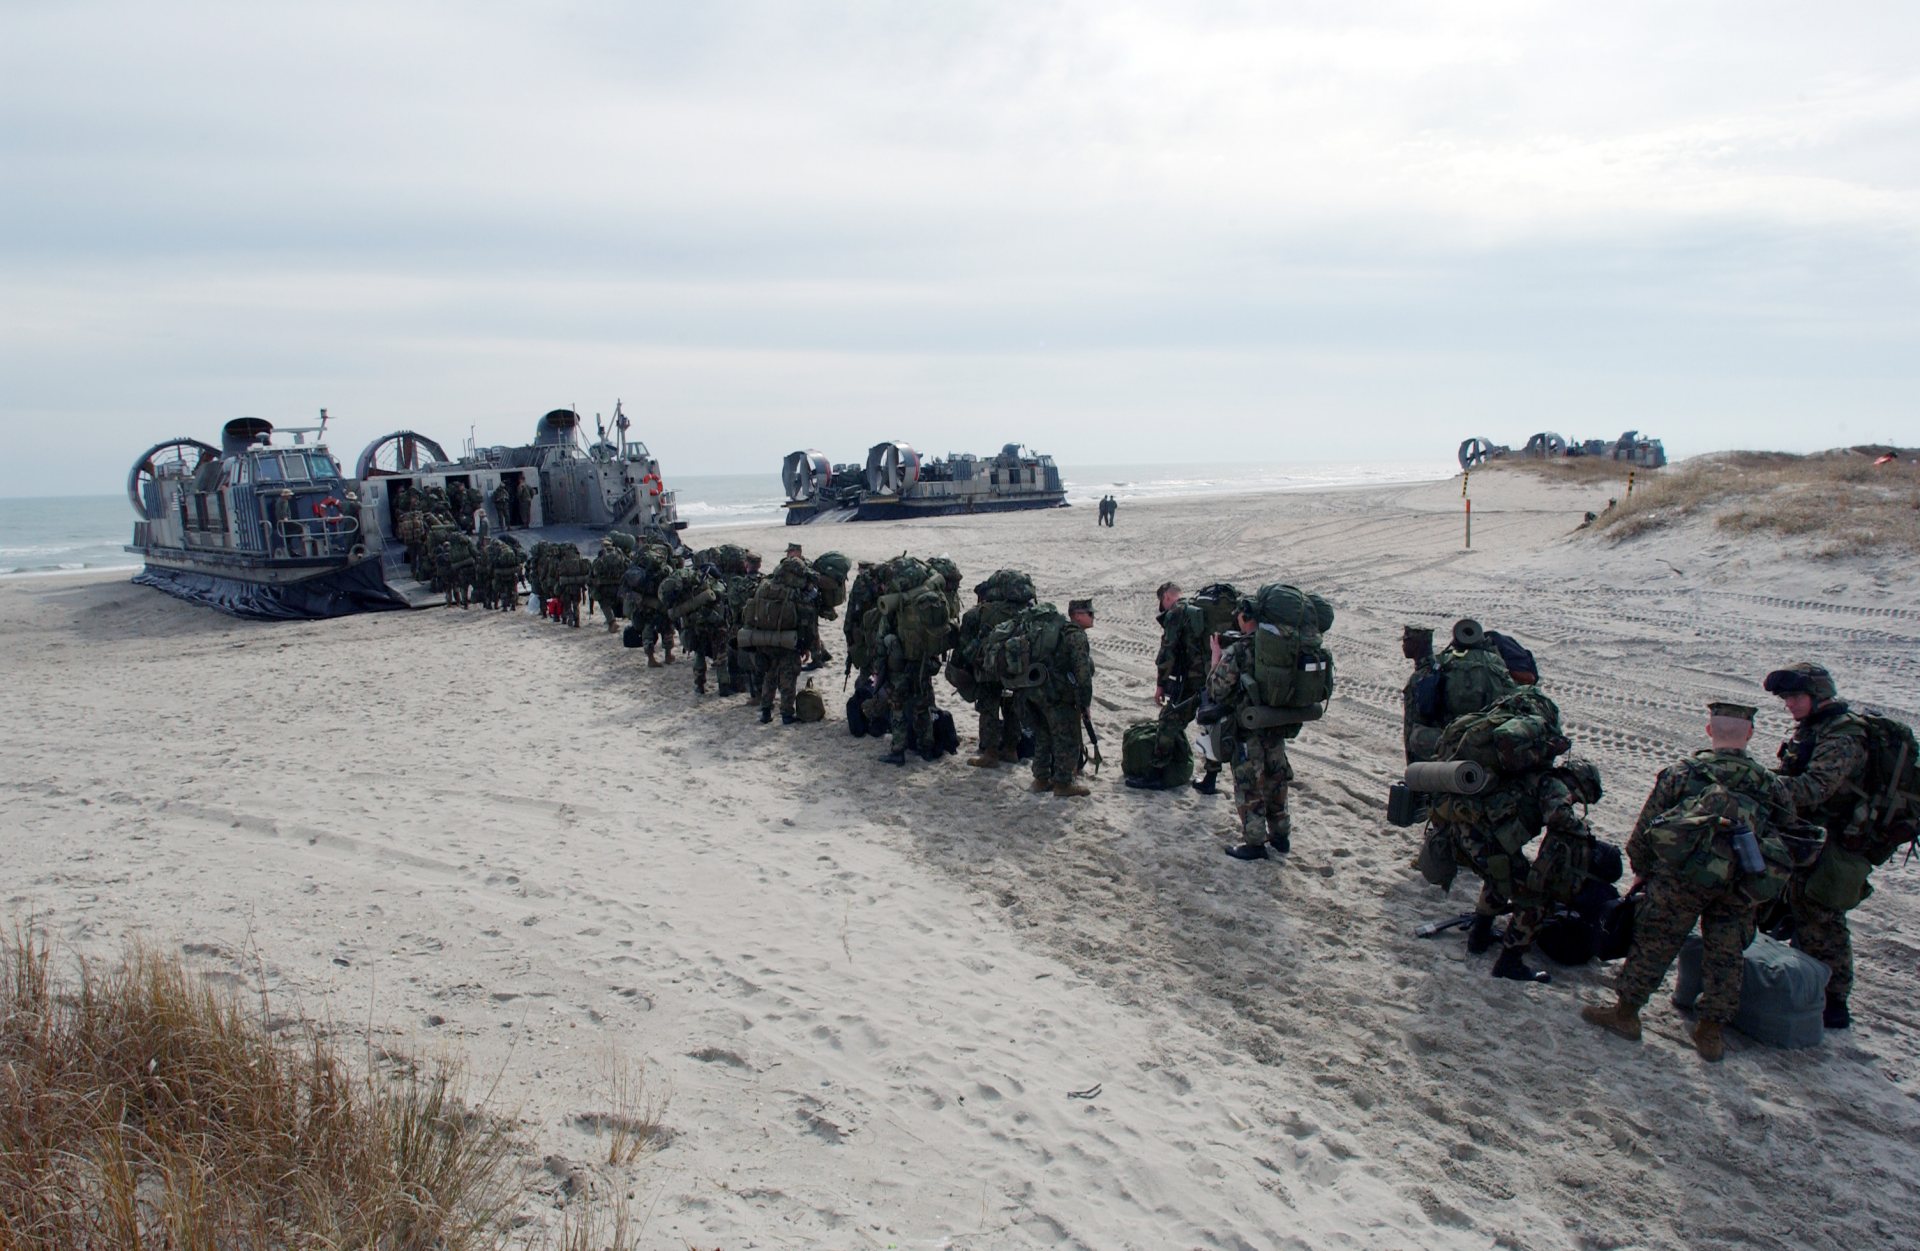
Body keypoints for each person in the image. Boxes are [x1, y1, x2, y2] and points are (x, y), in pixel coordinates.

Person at [1583, 703, 1798, 1060]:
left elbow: (1647, 828)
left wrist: (1643, 869)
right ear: (1749, 735)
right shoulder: (1770, 784)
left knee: (1656, 942)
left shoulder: (1682, 774)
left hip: (1680, 878)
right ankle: (1711, 1032)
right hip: (1738, 883)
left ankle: (1626, 1014)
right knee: (1727, 953)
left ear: (1710, 731)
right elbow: (1784, 834)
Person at [1765, 662, 1874, 1029]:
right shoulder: (1814, 729)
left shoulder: (1843, 736)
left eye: (1794, 697)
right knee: (1800, 906)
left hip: (1838, 842)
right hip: (1812, 834)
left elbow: (1816, 787)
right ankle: (1809, 985)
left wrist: (1763, 786)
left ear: (1818, 695)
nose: (1789, 705)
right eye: (1786, 698)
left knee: (1822, 916)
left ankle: (1833, 1001)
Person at [1206, 600, 1293, 860]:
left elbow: (1217, 690)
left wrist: (1215, 660)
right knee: (1277, 780)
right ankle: (1281, 836)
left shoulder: (1240, 650)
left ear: (1245, 617)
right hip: (1276, 726)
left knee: (1249, 784)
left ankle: (1255, 843)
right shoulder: (1281, 649)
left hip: (1248, 729)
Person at [1018, 599, 1095, 798]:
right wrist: (1085, 702)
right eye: (1089, 613)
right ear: (1077, 615)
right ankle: (1063, 784)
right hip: (1058, 695)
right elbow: (1083, 674)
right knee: (1067, 738)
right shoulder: (1075, 636)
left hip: (1036, 691)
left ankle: (1041, 779)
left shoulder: (1051, 631)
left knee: (1043, 735)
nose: (1093, 616)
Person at [1154, 581, 1224, 794]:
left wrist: (1161, 684)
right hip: (1219, 676)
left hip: (1192, 681)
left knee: (1169, 720)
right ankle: (1210, 779)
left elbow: (1167, 651)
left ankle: (1158, 774)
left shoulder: (1177, 612)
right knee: (1212, 725)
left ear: (1166, 597)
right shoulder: (1202, 609)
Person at [1400, 625, 1437, 763]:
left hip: (1422, 749)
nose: (1403, 645)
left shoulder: (1422, 677)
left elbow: (1415, 720)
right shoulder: (1432, 669)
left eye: (1406, 641)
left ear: (1416, 644)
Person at [590, 539, 630, 633]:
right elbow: (628, 565)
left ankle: (612, 622)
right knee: (619, 601)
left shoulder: (601, 555)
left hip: (604, 586)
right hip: (619, 585)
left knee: (605, 604)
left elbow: (594, 570)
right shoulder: (619, 554)